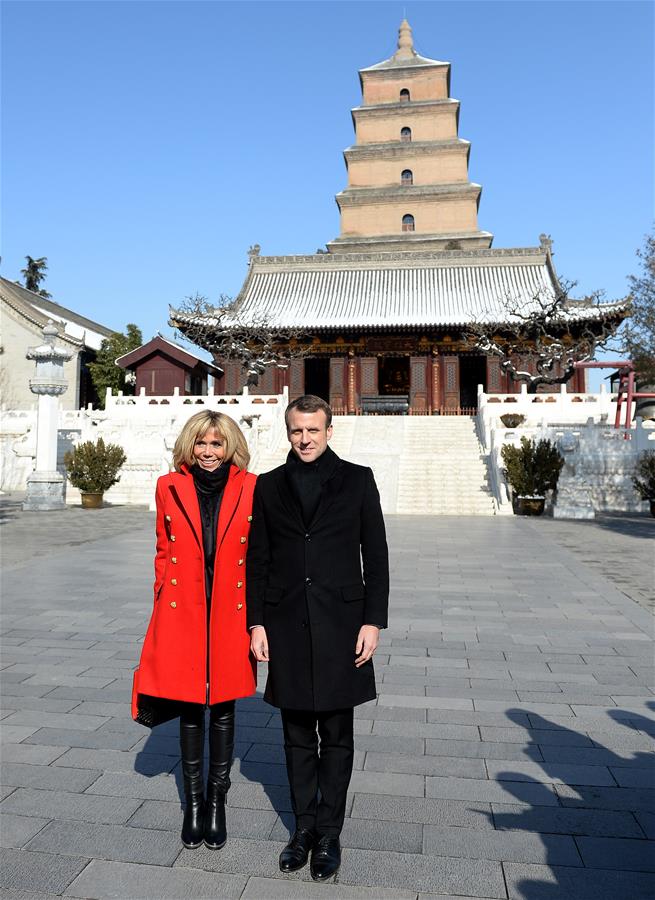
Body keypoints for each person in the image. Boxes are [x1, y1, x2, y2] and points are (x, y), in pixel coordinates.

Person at [247, 395, 389, 881]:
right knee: (294, 736)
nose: (304, 439)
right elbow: (258, 560)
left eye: (313, 430)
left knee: (337, 733)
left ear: (330, 431)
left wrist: (373, 621)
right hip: (285, 621)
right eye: (296, 431)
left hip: (341, 623)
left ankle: (329, 832)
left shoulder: (357, 479)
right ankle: (302, 828)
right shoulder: (267, 487)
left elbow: (377, 554)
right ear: (287, 432)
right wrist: (257, 622)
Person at [132, 410, 257, 850]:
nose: (208, 452)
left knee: (222, 706)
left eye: (217, 444)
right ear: (190, 446)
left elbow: (260, 554)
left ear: (230, 448)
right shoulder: (169, 487)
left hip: (230, 610)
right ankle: (194, 803)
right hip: (182, 609)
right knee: (188, 704)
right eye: (201, 444)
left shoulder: (252, 486)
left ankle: (217, 800)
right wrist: (160, 604)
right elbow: (163, 551)